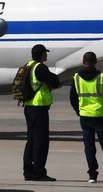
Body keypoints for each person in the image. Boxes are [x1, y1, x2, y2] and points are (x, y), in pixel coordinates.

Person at [70, 51, 103, 184]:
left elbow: (73, 98)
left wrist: (79, 111)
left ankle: (92, 175)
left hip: (85, 116)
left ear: (83, 62)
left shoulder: (76, 77)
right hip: (100, 115)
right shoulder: (101, 77)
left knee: (89, 147)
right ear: (95, 62)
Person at [22, 44, 60, 181]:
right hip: (39, 107)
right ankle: (39, 172)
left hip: (28, 106)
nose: (46, 55)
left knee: (31, 140)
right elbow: (55, 82)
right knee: (41, 141)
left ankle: (28, 171)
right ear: (42, 54)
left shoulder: (28, 66)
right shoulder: (40, 68)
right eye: (45, 53)